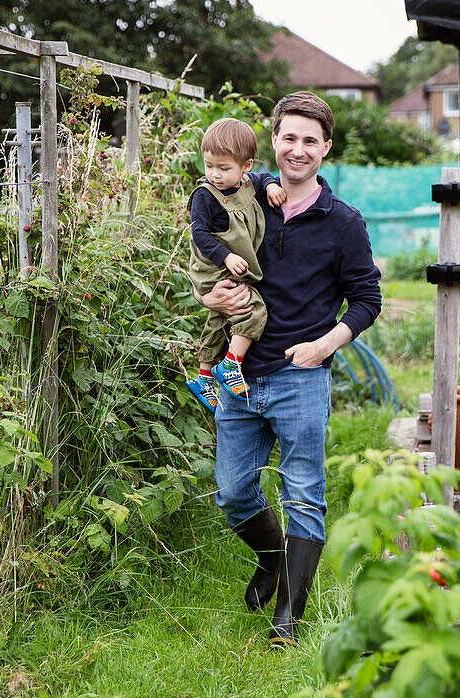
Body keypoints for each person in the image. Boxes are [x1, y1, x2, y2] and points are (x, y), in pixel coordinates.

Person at [195, 92, 382, 646]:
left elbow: (367, 299)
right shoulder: (241, 200)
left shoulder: (342, 222)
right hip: (240, 375)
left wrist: (326, 345)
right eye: (288, 138)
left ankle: (288, 618)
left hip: (300, 376)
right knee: (232, 493)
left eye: (309, 140)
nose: (297, 150)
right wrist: (211, 302)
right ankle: (275, 561)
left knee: (304, 490)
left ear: (325, 148)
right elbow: (204, 266)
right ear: (272, 142)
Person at [185, 118, 286, 412]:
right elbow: (199, 233)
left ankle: (204, 376)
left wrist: (269, 186)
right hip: (214, 267)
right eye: (209, 166)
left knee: (220, 319)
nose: (215, 175)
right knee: (252, 309)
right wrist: (225, 256)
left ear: (246, 166)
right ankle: (230, 365)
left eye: (224, 168)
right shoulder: (206, 196)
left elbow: (264, 176)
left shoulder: (247, 183)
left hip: (229, 266)